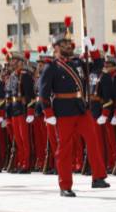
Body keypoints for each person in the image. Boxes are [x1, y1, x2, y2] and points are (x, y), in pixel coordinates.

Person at [38, 16, 110, 197]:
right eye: (64, 44)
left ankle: (98, 177)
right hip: (63, 111)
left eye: (69, 43)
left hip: (81, 108)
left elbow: (98, 66)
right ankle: (65, 185)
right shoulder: (51, 67)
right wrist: (48, 112)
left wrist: (92, 49)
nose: (69, 46)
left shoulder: (78, 63)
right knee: (64, 149)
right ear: (56, 47)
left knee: (93, 141)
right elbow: (43, 92)